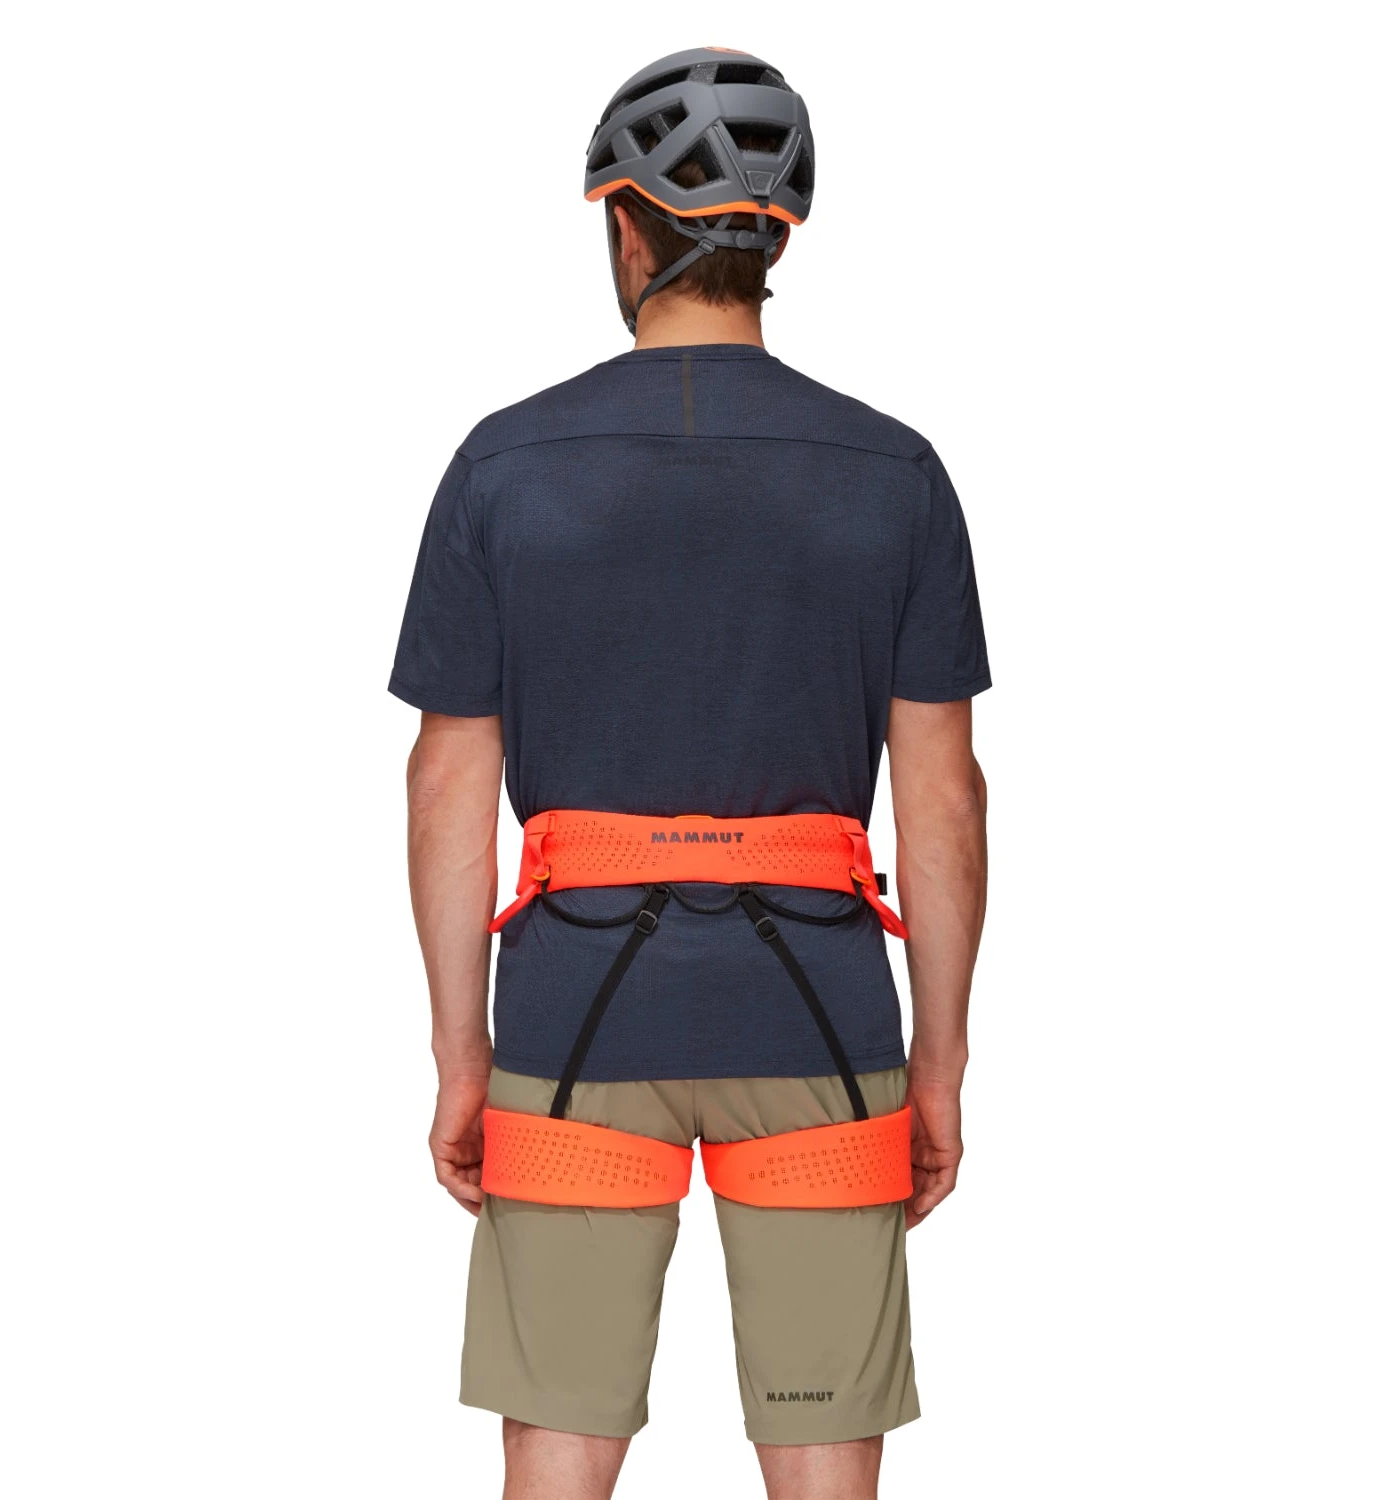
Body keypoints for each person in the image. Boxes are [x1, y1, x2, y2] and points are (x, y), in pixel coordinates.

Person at [390, 47, 990, 1500]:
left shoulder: (504, 467)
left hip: (575, 1018)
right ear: (774, 241)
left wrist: (463, 1057)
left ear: (626, 230)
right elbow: (944, 799)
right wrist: (939, 1063)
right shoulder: (896, 474)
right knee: (822, 1452)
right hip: (820, 1013)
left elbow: (448, 787)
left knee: (560, 1447)